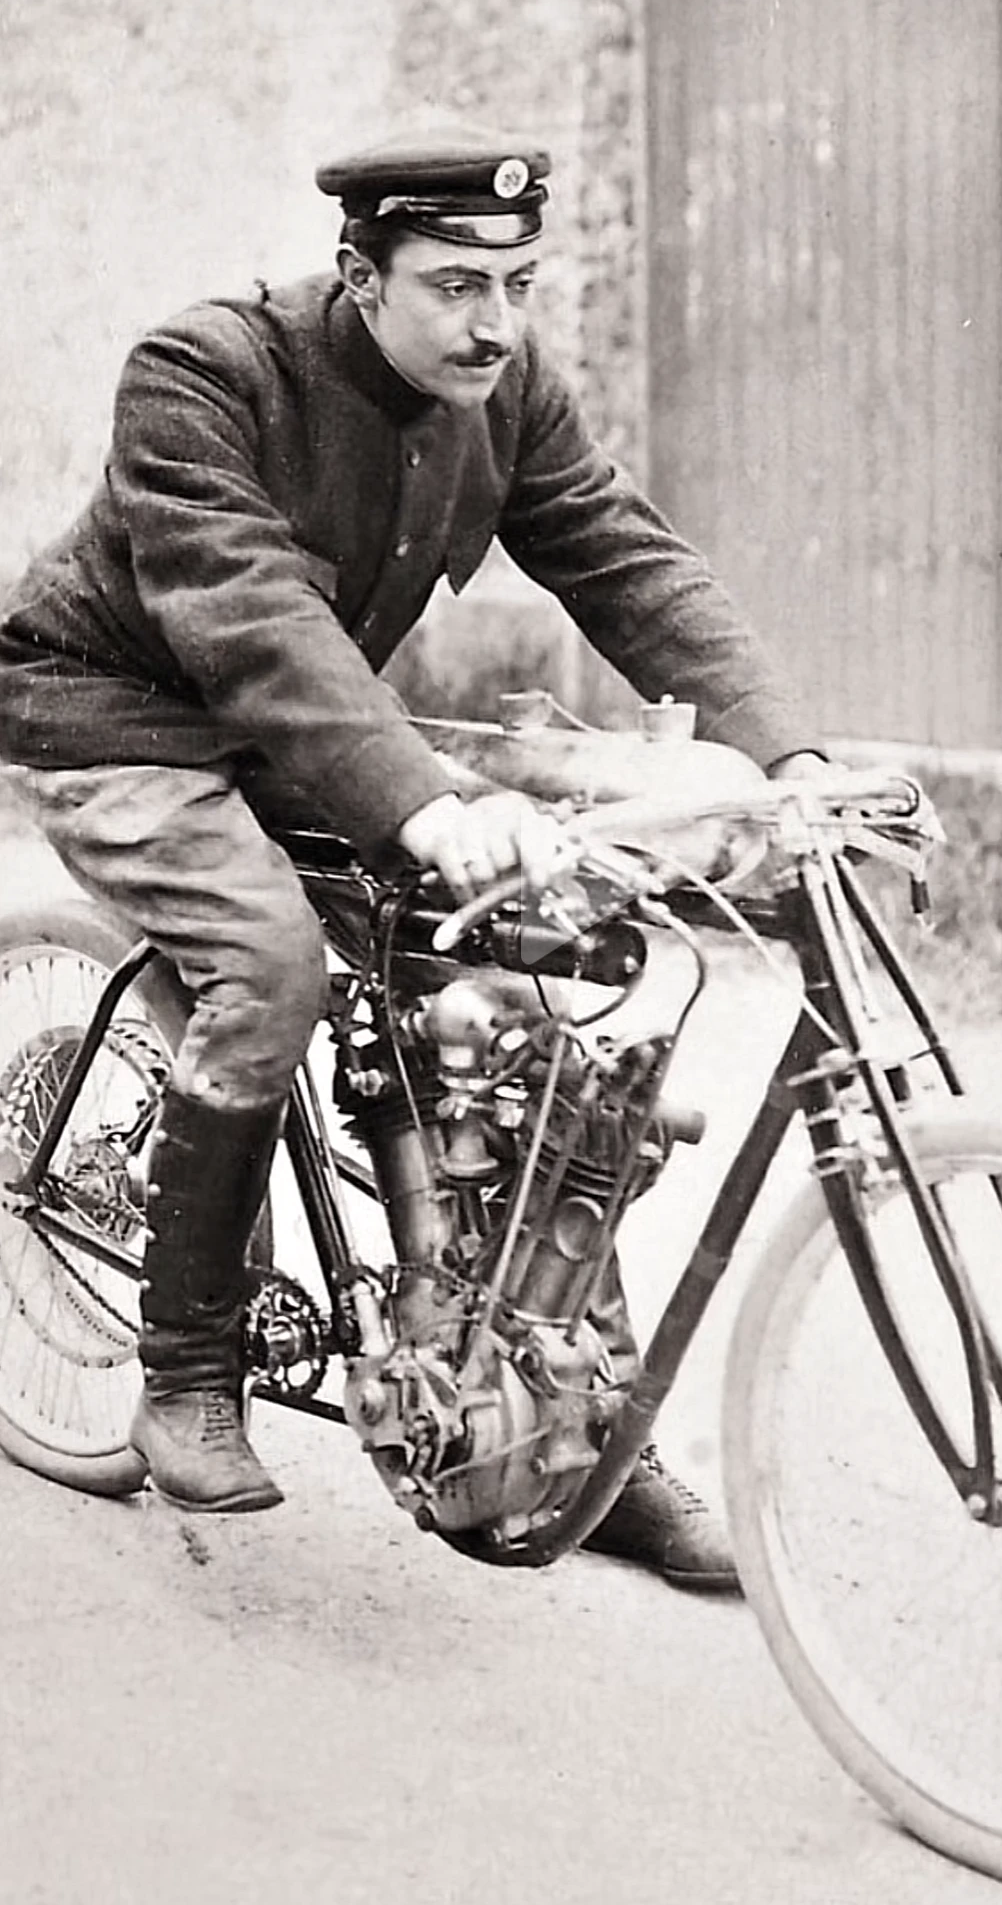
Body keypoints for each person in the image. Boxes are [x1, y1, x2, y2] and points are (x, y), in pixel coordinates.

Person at [0, 126, 826, 1593]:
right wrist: (424, 805)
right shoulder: (204, 373)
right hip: (114, 711)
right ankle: (184, 1371)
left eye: (516, 284)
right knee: (273, 965)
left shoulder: (505, 392)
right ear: (360, 274)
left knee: (527, 989)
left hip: (304, 731)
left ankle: (574, 1430)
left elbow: (625, 558)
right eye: (455, 284)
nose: (494, 323)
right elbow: (250, 612)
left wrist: (791, 756)